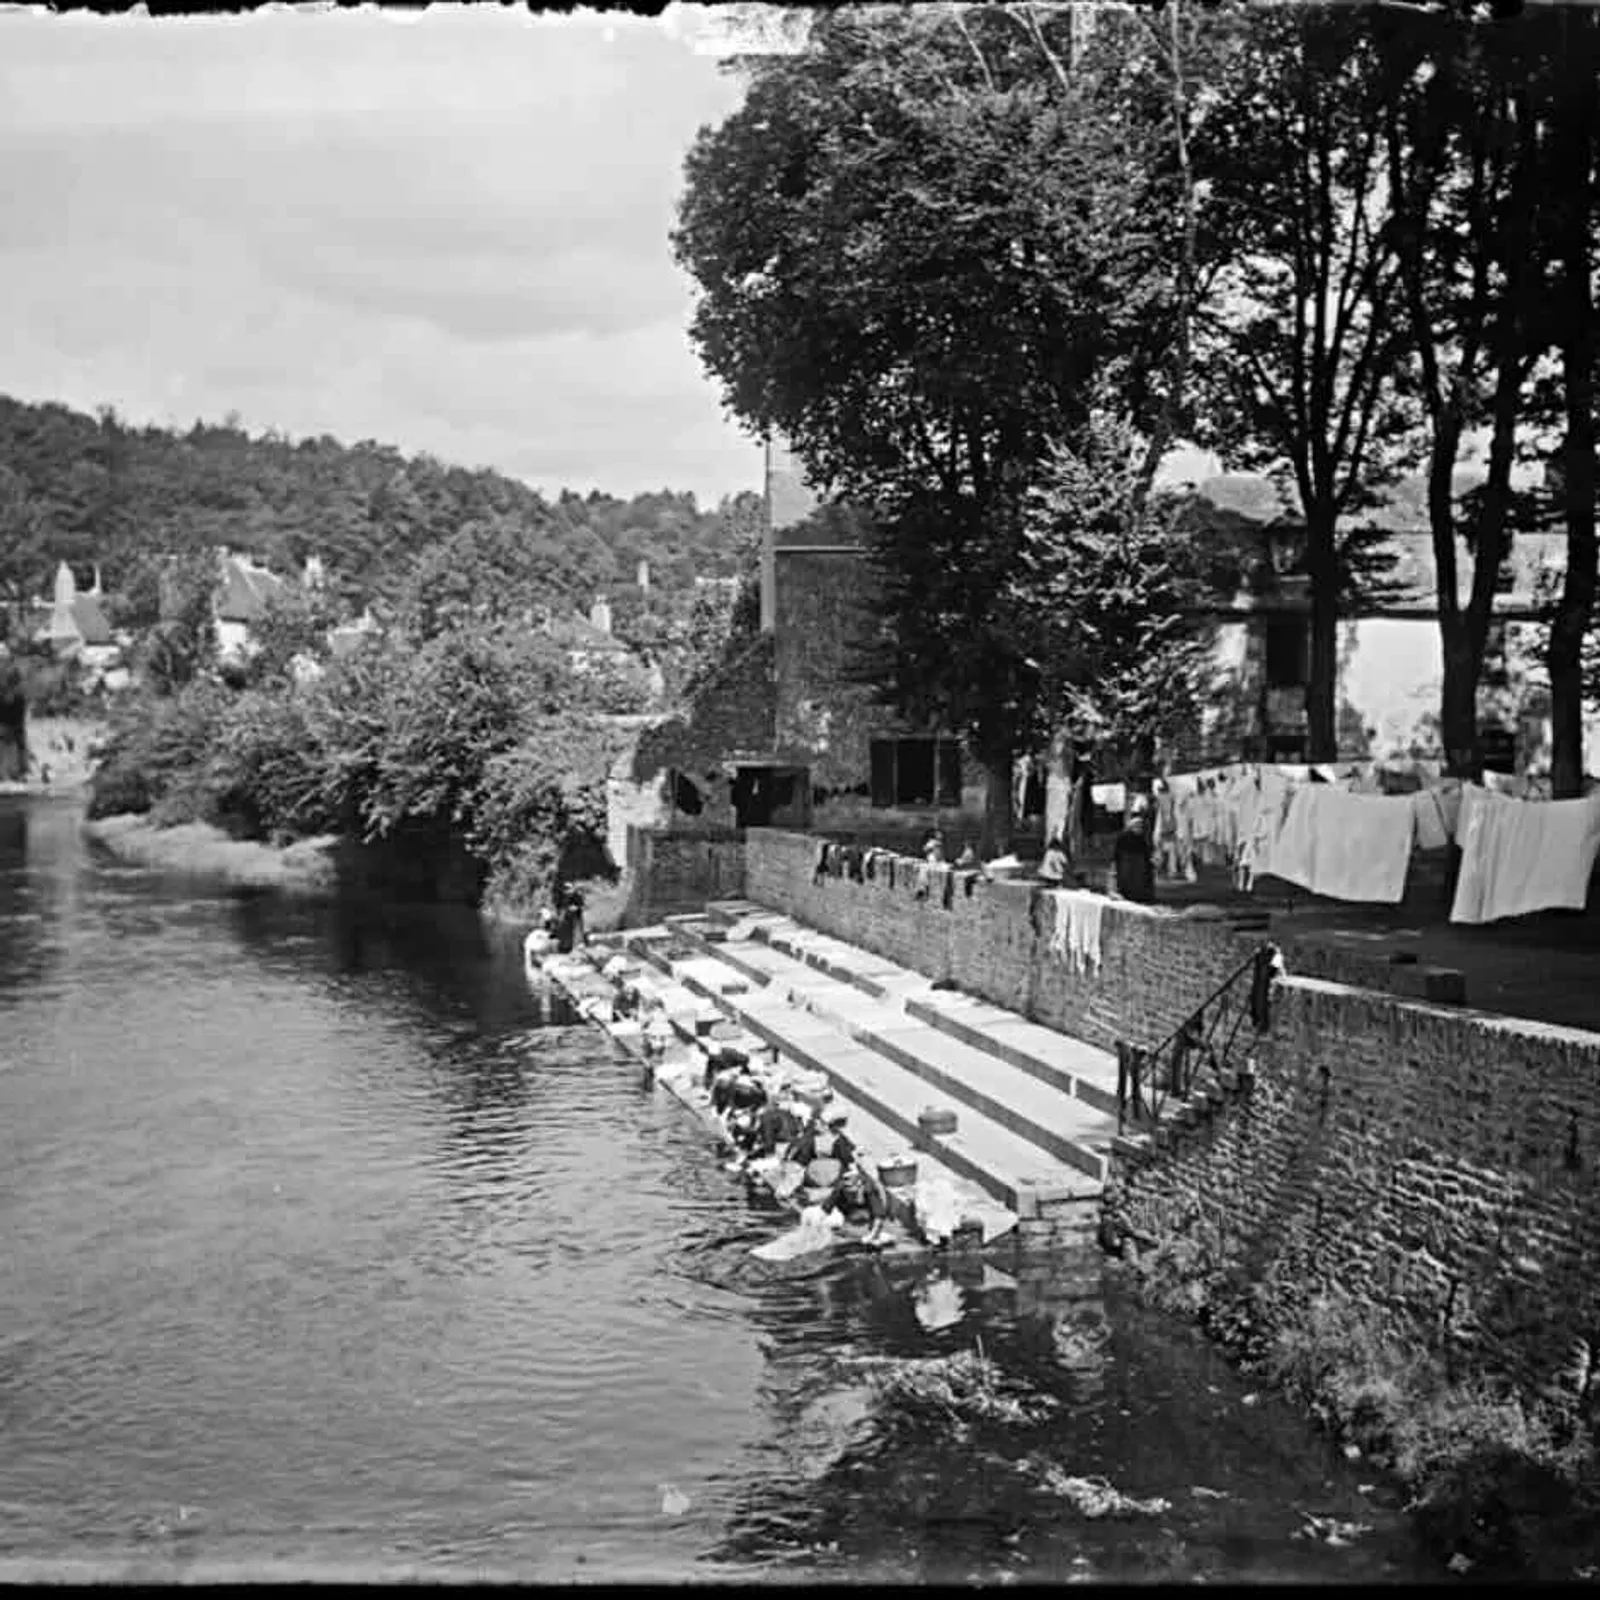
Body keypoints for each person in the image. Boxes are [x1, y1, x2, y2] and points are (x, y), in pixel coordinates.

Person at [1112, 795, 1156, 904]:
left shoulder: (1140, 839)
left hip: (1135, 868)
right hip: (1129, 867)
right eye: (1137, 826)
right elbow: (1117, 856)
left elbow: (1147, 857)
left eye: (1140, 826)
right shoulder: (1124, 837)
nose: (1139, 829)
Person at [552, 881, 586, 954]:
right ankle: (564, 947)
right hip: (565, 918)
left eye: (568, 888)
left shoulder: (577, 895)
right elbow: (559, 907)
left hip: (575, 916)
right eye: (565, 889)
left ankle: (577, 946)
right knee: (564, 932)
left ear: (572, 888)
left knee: (576, 931)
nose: (567, 890)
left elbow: (581, 906)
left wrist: (576, 908)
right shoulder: (563, 896)